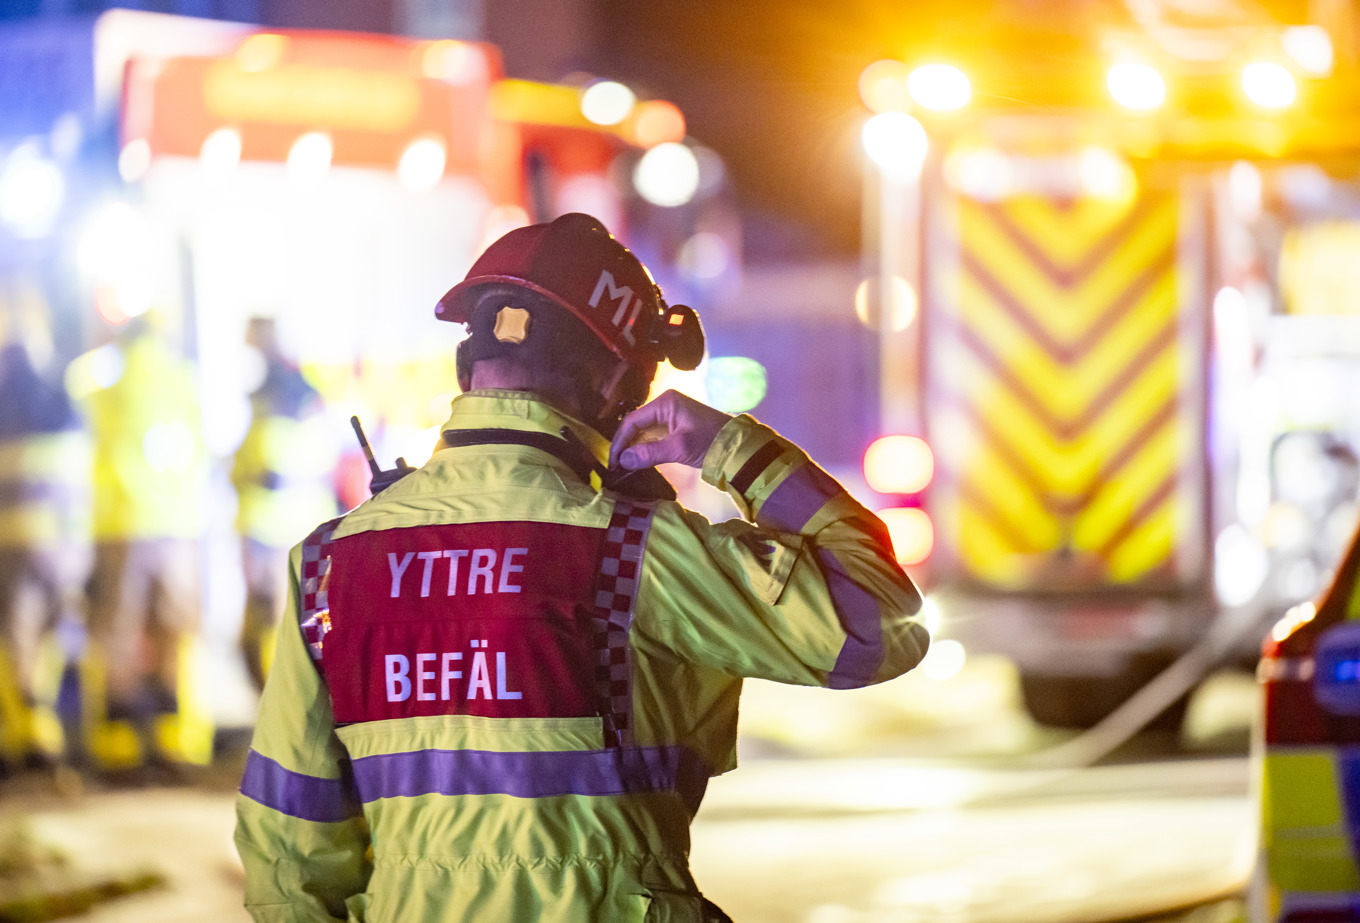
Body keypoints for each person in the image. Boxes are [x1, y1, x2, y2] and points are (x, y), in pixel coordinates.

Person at [234, 213, 929, 921]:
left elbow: (287, 859)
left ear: (468, 364)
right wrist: (731, 447)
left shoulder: (328, 564)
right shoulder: (635, 551)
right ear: (619, 388)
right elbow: (880, 619)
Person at [78, 318, 212, 773]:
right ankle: (176, 739)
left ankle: (118, 745)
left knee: (116, 633)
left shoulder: (106, 388)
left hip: (123, 525)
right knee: (174, 633)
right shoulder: (182, 384)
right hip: (177, 528)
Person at [231, 316, 339, 691]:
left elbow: (264, 470)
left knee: (279, 627)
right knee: (269, 628)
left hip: (277, 531)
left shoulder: (278, 399)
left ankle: (287, 712)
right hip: (288, 530)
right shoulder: (297, 393)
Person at [0, 338, 90, 772]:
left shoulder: (6, 411)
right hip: (65, 545)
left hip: (14, 544)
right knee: (57, 632)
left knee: (19, 636)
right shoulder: (66, 409)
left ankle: (30, 734)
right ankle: (47, 731)